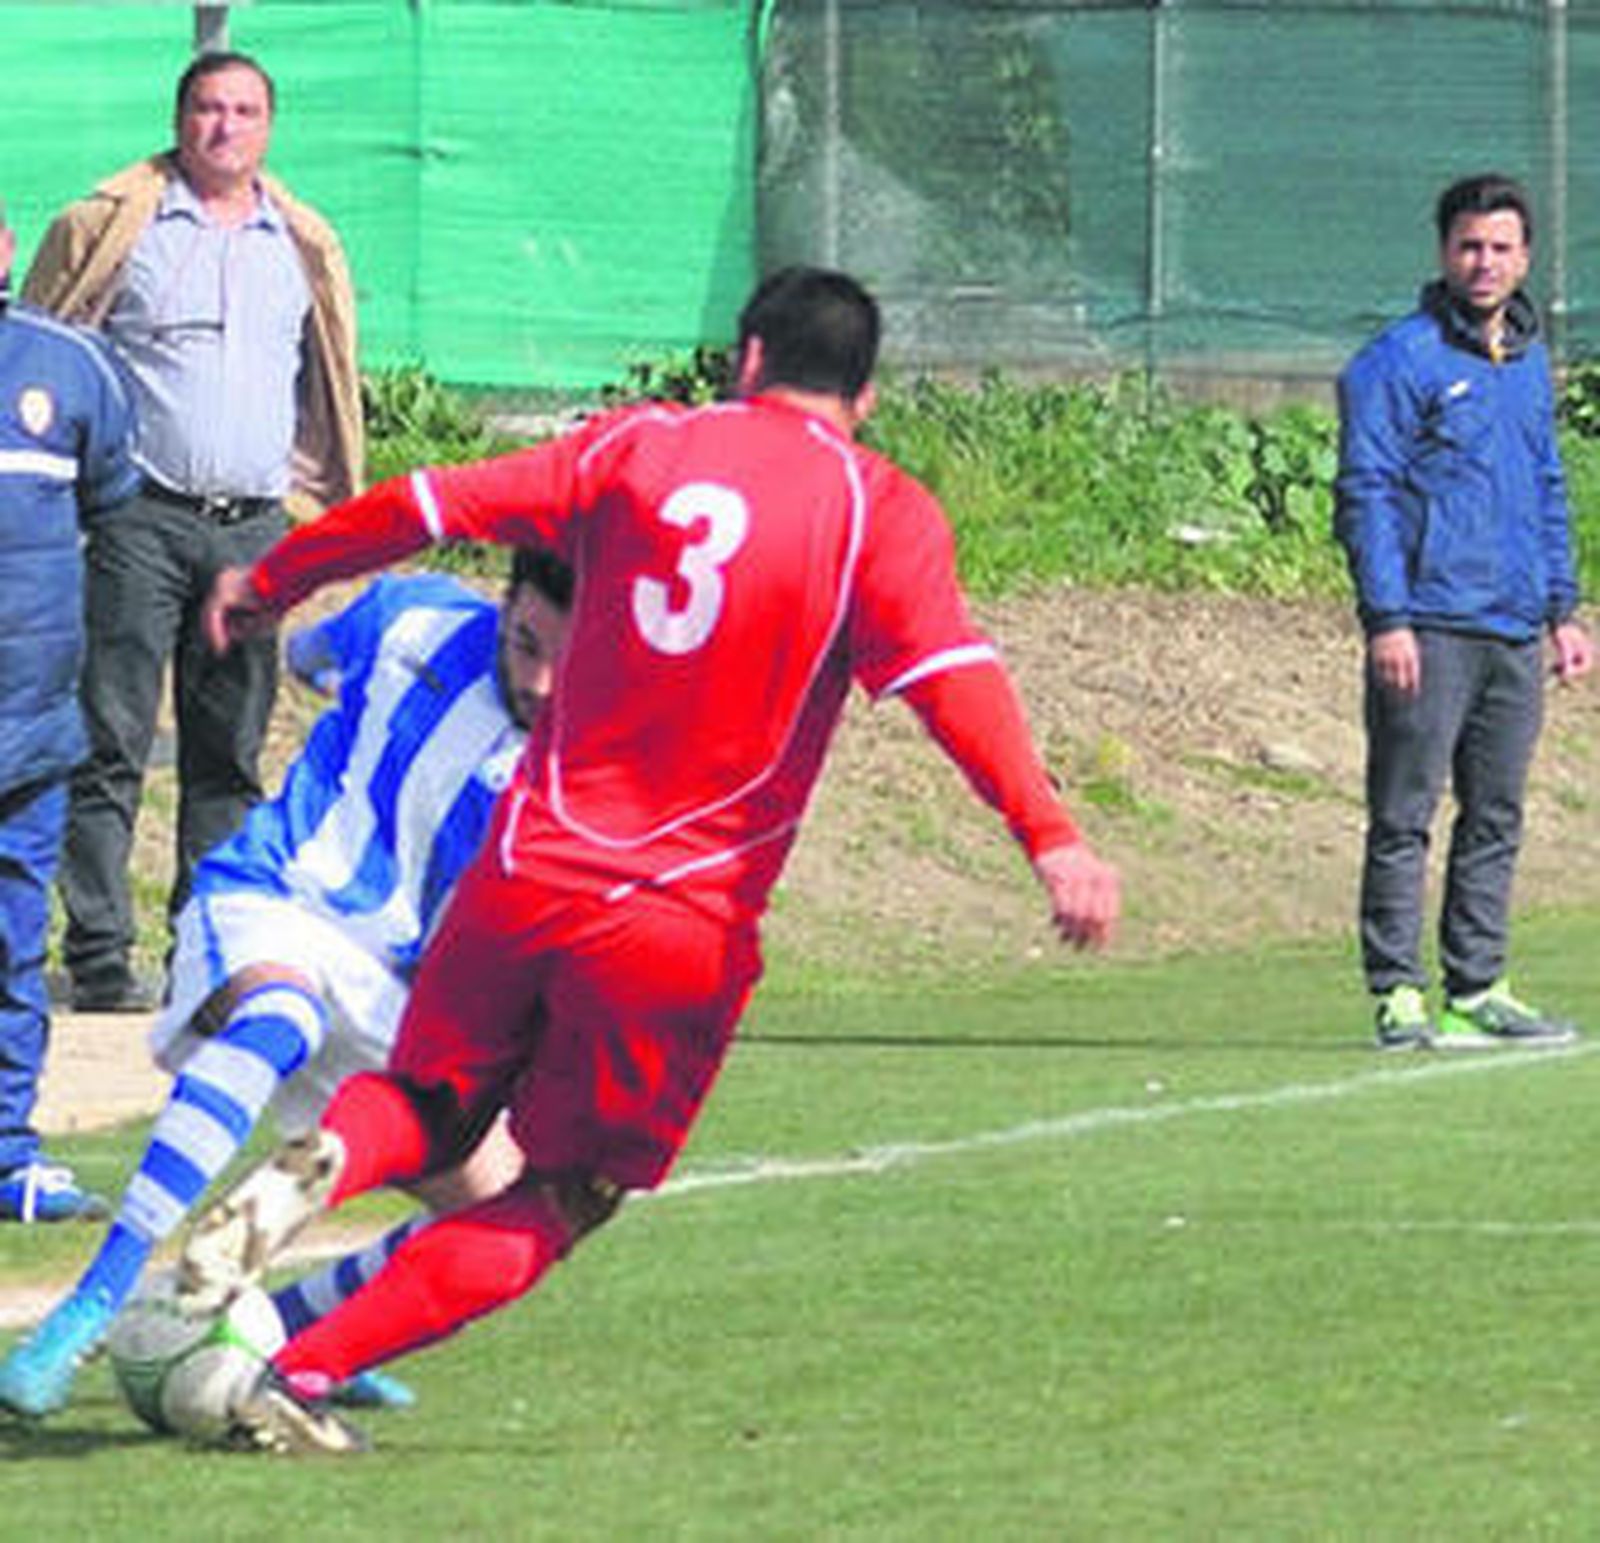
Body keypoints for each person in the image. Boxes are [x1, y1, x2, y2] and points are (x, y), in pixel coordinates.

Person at [180, 265, 1122, 1456]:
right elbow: (952, 683)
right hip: (675, 921)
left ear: (745, 358)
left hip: (524, 871)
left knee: (430, 1103)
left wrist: (276, 580)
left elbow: (429, 501)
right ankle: (304, 1371)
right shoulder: (878, 511)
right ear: (867, 396)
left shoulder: (637, 447)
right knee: (570, 1188)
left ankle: (295, 1182)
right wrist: (1050, 835)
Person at [0, 551, 571, 1420]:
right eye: (524, 640)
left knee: (515, 1208)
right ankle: (91, 1302)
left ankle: (289, 1338)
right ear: (503, 602)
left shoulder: (594, 760)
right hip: (274, 899)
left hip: (394, 990)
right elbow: (310, 656)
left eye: (563, 660)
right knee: (282, 1014)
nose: (536, 678)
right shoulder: (410, 618)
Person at [22, 50, 363, 1012]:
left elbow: (324, 378)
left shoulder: (299, 240)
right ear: (181, 119)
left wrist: (312, 499)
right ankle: (96, 954)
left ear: (269, 126)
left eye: (245, 110)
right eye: (208, 108)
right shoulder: (113, 223)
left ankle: (204, 960)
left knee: (228, 752)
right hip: (138, 519)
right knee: (108, 738)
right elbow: (49, 341)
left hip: (252, 532)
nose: (225, 126)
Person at [1334, 172, 1594, 1052]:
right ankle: (1398, 992)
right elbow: (1364, 493)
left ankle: (1476, 987)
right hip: (1431, 625)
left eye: (1501, 247)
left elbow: (1546, 486)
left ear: (1525, 258)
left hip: (1515, 628)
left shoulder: (1527, 363)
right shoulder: (1396, 362)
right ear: (1444, 253)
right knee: (1405, 810)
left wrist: (1564, 607)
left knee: (1496, 814)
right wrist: (1389, 619)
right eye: (1468, 246)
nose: (1484, 263)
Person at [0, 201, 141, 1222]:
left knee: (13, 949)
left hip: (29, 731)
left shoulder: (70, 368)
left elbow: (109, 509)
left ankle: (7, 1158)